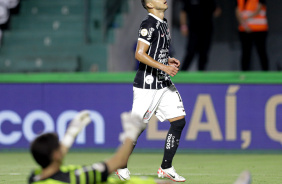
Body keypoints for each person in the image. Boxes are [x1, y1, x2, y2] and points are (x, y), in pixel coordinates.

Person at [116, 0, 187, 182]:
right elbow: (139, 54)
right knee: (136, 129)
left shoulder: (162, 23)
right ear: (149, 4)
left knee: (178, 121)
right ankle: (120, 166)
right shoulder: (148, 24)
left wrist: (167, 60)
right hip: (147, 85)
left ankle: (166, 167)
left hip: (162, 82)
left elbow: (155, 52)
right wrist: (164, 68)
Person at [28, 110, 173, 184]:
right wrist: (132, 133)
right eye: (59, 145)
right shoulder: (75, 179)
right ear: (55, 155)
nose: (62, 147)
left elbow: (56, 158)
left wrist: (70, 135)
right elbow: (118, 161)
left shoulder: (35, 177)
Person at [180, 0, 221, 71]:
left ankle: (201, 71)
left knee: (204, 52)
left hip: (206, 29)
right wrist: (184, 26)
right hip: (193, 29)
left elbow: (217, 11)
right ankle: (183, 71)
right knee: (191, 51)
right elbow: (183, 12)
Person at [235, 0, 269, 71]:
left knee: (261, 51)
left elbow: (258, 10)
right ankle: (244, 73)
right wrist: (244, 25)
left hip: (259, 29)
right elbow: (237, 11)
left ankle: (266, 72)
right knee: (246, 52)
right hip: (245, 30)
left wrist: (247, 17)